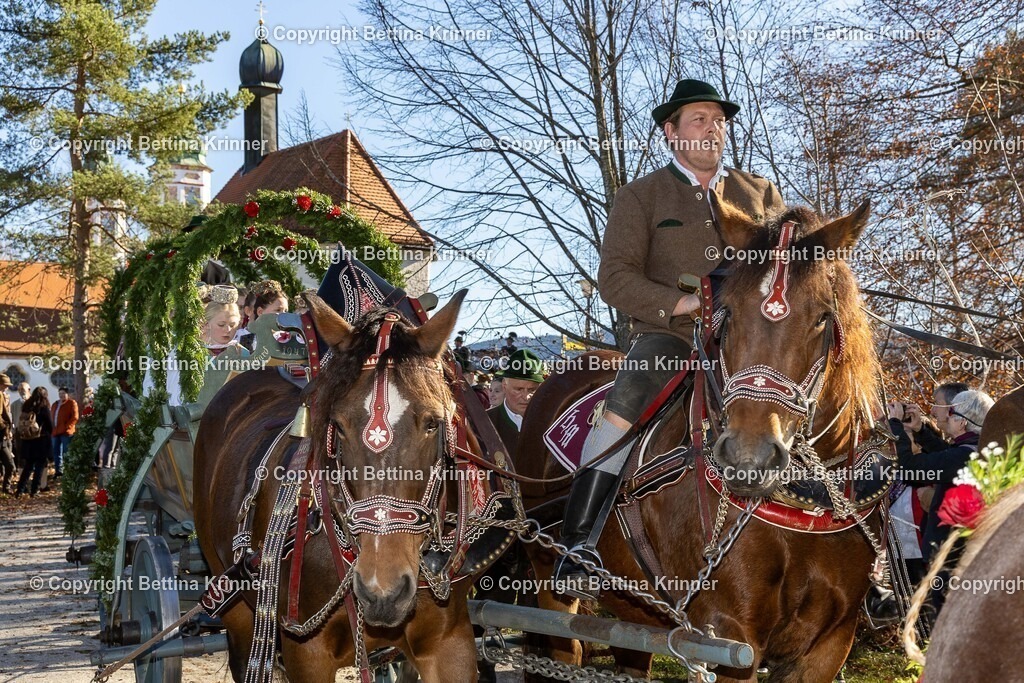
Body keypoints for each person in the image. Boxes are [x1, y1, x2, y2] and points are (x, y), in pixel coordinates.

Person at [554, 78, 787, 597]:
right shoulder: (640, 196)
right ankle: (578, 544)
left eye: (720, 120)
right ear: (671, 132)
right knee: (625, 404)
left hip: (751, 337)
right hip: (671, 337)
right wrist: (682, 304)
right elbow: (614, 277)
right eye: (699, 119)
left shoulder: (761, 193)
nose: (713, 128)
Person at [889, 389, 994, 617]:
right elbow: (946, 454)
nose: (944, 417)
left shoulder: (963, 457)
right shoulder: (976, 449)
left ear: (962, 422)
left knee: (947, 619)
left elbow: (910, 470)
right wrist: (920, 430)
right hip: (965, 552)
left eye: (950, 413)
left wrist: (895, 424)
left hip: (951, 556)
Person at [487, 349, 545, 455]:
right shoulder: (484, 422)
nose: (526, 397)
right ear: (504, 386)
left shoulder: (552, 422)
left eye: (532, 390)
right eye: (519, 389)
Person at [15, 387, 53, 497]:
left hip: (27, 440)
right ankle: (34, 490)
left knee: (28, 466)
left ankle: (20, 490)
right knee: (39, 466)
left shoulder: (27, 406)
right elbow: (50, 425)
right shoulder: (44, 408)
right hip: (41, 440)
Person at [50, 386, 79, 481]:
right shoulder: (55, 404)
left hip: (66, 432)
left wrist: (67, 427)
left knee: (66, 452)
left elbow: (75, 417)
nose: (61, 395)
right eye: (60, 393)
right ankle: (58, 471)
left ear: (67, 394)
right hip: (55, 432)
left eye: (63, 393)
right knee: (56, 452)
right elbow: (52, 416)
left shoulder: (71, 403)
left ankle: (68, 472)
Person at [0, 374, 15, 494]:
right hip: (2, 434)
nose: (6, 388)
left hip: (3, 437)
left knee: (10, 464)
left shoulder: (3, 396)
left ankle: (6, 488)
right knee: (9, 464)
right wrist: (5, 426)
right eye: (4, 385)